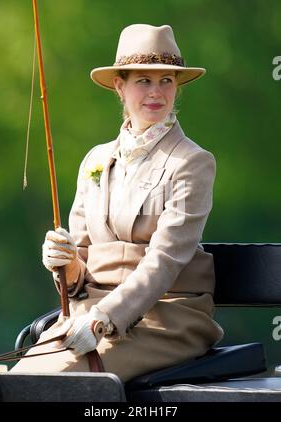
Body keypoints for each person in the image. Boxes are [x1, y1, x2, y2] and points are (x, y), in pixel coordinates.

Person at [11, 24, 223, 381]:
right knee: (14, 381)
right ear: (120, 87)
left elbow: (165, 261)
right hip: (87, 312)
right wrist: (66, 264)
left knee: (55, 382)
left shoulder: (192, 162)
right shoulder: (95, 159)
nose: (156, 92)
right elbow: (81, 264)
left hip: (166, 318)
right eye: (143, 81)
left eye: (166, 81)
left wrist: (106, 316)